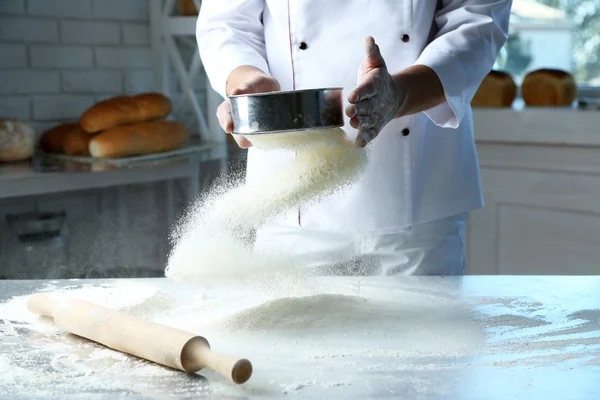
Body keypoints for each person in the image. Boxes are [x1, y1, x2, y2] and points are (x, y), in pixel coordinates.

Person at [196, 0, 512, 276]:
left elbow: (477, 23)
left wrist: (400, 95)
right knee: (291, 340)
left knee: (424, 339)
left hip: (420, 199)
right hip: (290, 201)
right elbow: (226, 23)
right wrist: (245, 81)